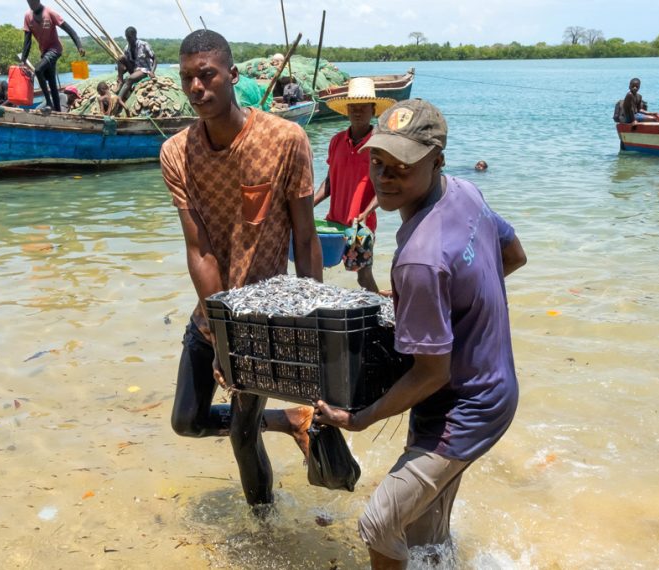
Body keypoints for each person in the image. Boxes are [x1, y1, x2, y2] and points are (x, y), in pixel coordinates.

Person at [314, 99, 527, 569]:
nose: (385, 177)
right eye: (378, 162)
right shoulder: (465, 193)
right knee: (426, 534)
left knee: (377, 523)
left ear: (437, 160)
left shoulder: (420, 259)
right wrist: (454, 312)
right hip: (495, 385)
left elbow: (431, 373)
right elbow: (512, 255)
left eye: (402, 167)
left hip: (464, 408)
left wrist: (359, 419)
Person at [161, 29, 323, 513]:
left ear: (232, 75)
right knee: (186, 421)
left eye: (206, 74)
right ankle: (291, 421)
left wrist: (313, 321)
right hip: (211, 313)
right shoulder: (176, 152)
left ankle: (264, 528)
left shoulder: (284, 139)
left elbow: (306, 237)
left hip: (264, 319)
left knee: (241, 434)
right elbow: (200, 249)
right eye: (187, 78)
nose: (196, 87)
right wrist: (217, 329)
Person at [312, 77, 395, 293]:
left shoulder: (381, 144)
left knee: (363, 276)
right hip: (334, 222)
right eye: (353, 107)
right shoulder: (337, 141)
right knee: (315, 266)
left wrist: (367, 212)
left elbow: (385, 185)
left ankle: (378, 307)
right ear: (347, 110)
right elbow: (330, 181)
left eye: (363, 107)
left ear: (373, 110)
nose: (358, 112)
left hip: (361, 226)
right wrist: (309, 203)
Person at [19, 0, 85, 113]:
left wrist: (79, 46)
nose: (31, 4)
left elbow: (69, 30)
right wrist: (23, 60)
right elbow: (27, 40)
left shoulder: (49, 12)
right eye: (29, 2)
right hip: (44, 52)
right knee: (52, 82)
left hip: (55, 49)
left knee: (38, 70)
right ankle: (58, 111)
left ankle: (49, 104)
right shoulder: (27, 17)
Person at [117, 26, 157, 102]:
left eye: (130, 37)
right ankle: (120, 81)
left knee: (129, 79)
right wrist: (121, 70)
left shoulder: (144, 45)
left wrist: (152, 71)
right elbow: (126, 63)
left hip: (144, 70)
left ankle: (119, 98)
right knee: (121, 58)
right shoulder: (127, 48)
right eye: (127, 38)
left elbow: (154, 59)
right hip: (134, 69)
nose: (128, 40)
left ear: (135, 36)